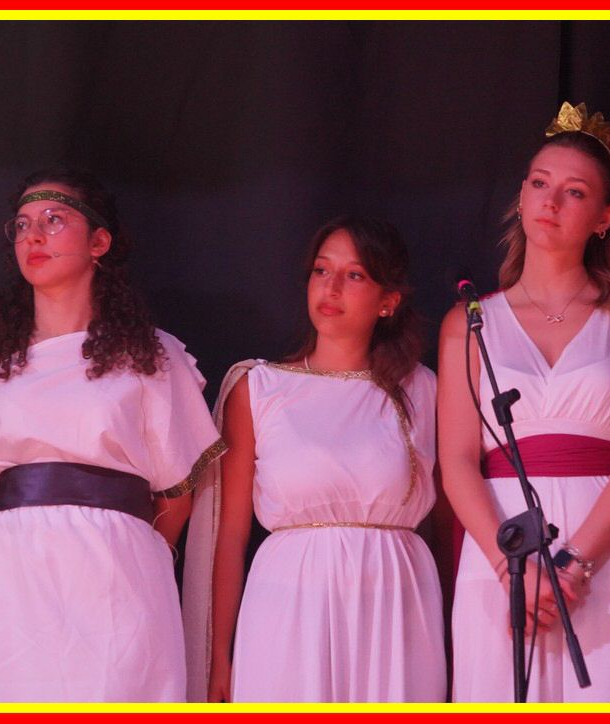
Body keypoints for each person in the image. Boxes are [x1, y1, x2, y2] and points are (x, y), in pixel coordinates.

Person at [0, 168, 225, 702]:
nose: (33, 237)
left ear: (99, 242)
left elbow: (176, 494)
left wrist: (126, 552)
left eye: (53, 220)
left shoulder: (152, 354)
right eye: (22, 225)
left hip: (119, 572)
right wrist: (6, 558)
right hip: (9, 575)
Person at [438, 102, 610, 702]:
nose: (552, 201)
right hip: (502, 551)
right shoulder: (469, 322)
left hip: (609, 550)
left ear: (604, 217)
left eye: (575, 192)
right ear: (521, 196)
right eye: (540, 184)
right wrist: (508, 566)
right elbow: (457, 460)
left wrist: (574, 564)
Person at [190, 216, 445, 702]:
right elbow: (230, 535)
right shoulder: (259, 387)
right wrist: (219, 654)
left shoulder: (422, 388)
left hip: (395, 600)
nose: (331, 287)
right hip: (289, 601)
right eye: (321, 270)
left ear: (388, 300)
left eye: (354, 275)